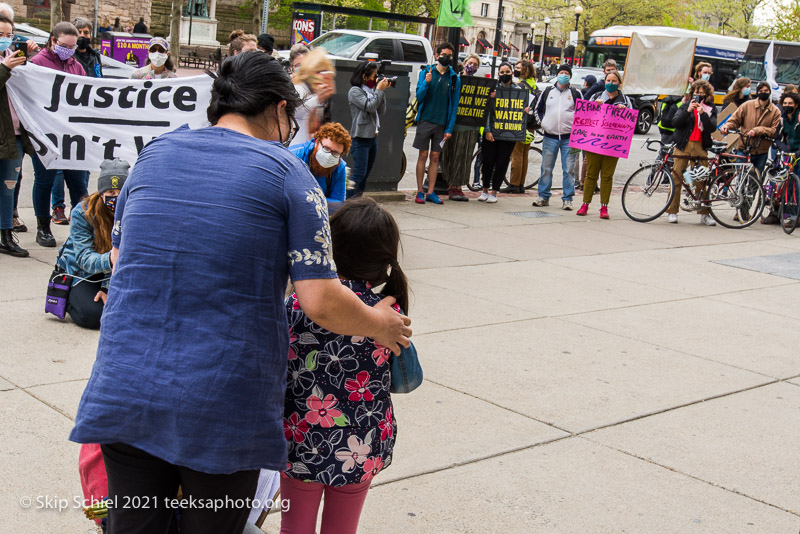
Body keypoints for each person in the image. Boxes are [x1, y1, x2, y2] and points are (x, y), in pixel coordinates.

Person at [69, 52, 411, 534]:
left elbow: (123, 264)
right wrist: (382, 324)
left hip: (125, 388)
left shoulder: (151, 157)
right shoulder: (291, 176)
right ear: (277, 109)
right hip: (220, 403)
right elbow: (320, 300)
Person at [281, 196, 407, 534]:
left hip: (299, 441)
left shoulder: (295, 305)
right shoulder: (388, 314)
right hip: (361, 444)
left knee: (294, 527)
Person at [29, 21, 89, 247]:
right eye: (65, 46)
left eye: (73, 47)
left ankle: (81, 229)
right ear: (53, 41)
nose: (70, 51)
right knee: (44, 182)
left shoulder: (76, 66)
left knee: (78, 184)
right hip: (46, 135)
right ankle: (43, 227)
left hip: (72, 137)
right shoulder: (38, 63)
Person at [55, 159, 128, 328]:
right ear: (101, 193)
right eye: (110, 191)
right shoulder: (82, 212)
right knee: (92, 317)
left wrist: (108, 288)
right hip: (83, 272)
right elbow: (83, 258)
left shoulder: (132, 210)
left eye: (120, 192)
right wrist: (111, 259)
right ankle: (67, 297)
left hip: (116, 272)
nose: (115, 197)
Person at [576, 69, 632, 219]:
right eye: (608, 81)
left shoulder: (625, 100)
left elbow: (630, 123)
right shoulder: (595, 97)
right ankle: (585, 204)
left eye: (614, 81)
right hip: (595, 141)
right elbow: (584, 116)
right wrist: (594, 106)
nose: (611, 83)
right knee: (591, 174)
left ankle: (604, 207)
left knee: (607, 176)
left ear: (619, 83)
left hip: (613, 144)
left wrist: (624, 111)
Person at [663, 80, 718, 225]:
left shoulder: (711, 108)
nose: (699, 96)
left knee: (701, 179)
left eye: (702, 93)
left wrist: (703, 114)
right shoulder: (686, 105)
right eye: (696, 92)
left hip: (700, 146)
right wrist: (688, 111)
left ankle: (704, 214)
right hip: (683, 145)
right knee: (677, 177)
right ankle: (672, 211)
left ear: (707, 95)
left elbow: (712, 127)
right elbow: (675, 122)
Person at [0, 13, 32, 257]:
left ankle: (5, 236)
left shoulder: (14, 59)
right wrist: (4, 70)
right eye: (0, 35)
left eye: (8, 35)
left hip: (15, 137)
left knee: (8, 188)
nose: (5, 39)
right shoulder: (6, 64)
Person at [413, 42, 460, 205]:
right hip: (426, 120)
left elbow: (454, 105)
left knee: (435, 157)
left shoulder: (454, 78)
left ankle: (431, 192)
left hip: (441, 123)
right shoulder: (427, 72)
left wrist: (449, 128)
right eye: (444, 55)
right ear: (437, 55)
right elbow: (419, 97)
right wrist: (426, 83)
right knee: (423, 155)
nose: (446, 58)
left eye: (449, 55)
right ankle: (420, 191)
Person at [531, 64, 579, 209]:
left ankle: (568, 199)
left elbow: (583, 114)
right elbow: (537, 110)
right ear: (557, 75)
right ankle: (543, 196)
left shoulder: (576, 93)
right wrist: (543, 123)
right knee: (546, 168)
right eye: (561, 72)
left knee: (569, 169)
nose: (564, 75)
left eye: (566, 73)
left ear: (570, 76)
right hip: (549, 137)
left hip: (569, 138)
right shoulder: (547, 91)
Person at [479, 62, 526, 204]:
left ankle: (494, 191)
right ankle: (485, 189)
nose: (505, 75)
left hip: (509, 134)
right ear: (498, 74)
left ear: (512, 72)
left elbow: (522, 112)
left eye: (507, 72)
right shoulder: (492, 89)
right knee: (488, 162)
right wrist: (487, 130)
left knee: (502, 163)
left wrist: (526, 111)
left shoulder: (519, 90)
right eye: (502, 72)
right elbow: (486, 112)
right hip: (492, 132)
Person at [442, 53, 482, 201]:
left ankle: (459, 186)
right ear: (465, 63)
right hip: (456, 125)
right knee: (454, 155)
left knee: (465, 158)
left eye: (475, 65)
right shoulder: (456, 80)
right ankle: (452, 186)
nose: (472, 66)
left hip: (471, 127)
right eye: (470, 63)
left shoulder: (478, 83)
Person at [720, 81, 781, 177]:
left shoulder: (775, 111)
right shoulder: (747, 105)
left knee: (756, 180)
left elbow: (774, 131)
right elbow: (734, 120)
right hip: (744, 148)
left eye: (766, 90)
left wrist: (757, 130)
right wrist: (726, 126)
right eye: (761, 91)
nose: (763, 92)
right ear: (757, 92)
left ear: (769, 92)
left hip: (762, 151)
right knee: (741, 179)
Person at [347, 61, 389, 199]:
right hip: (360, 139)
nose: (376, 79)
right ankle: (346, 201)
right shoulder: (355, 91)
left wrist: (381, 92)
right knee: (358, 174)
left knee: (365, 175)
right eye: (374, 76)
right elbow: (370, 107)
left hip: (372, 138)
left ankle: (356, 202)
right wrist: (379, 90)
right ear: (364, 76)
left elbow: (381, 110)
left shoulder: (372, 91)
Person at [289, 122, 350, 204]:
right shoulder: (294, 156)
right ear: (317, 142)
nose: (329, 155)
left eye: (335, 153)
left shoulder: (339, 168)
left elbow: (338, 203)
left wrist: (310, 201)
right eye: (326, 148)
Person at [503, 59, 539, 195]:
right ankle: (521, 184)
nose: (516, 69)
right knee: (524, 154)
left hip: (520, 123)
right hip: (531, 125)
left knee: (516, 154)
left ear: (525, 70)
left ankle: (514, 183)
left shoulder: (520, 85)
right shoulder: (533, 85)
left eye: (518, 67)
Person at [292, 47, 335, 146]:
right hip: (295, 145)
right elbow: (295, 112)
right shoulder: (300, 88)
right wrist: (317, 100)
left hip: (305, 144)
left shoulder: (315, 92)